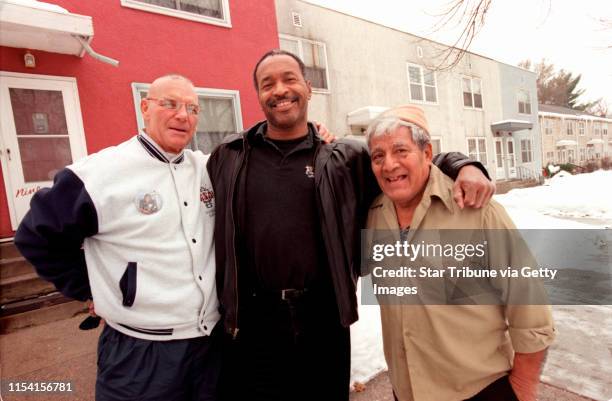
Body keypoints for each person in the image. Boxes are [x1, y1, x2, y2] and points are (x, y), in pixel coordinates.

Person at [206, 49, 495, 401]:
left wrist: (464, 165)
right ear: (258, 95)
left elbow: (410, 166)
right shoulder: (229, 156)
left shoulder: (343, 158)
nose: (280, 90)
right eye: (268, 84)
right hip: (253, 320)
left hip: (323, 318)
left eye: (289, 79)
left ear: (308, 88)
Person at [15, 74, 221, 401]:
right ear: (145, 108)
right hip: (139, 356)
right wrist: (89, 288)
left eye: (192, 108)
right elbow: (35, 236)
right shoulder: (101, 173)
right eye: (169, 103)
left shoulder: (208, 169)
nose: (183, 115)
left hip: (209, 348)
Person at [364, 105, 556, 401]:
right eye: (378, 156)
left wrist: (524, 386)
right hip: (407, 391)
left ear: (427, 154)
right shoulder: (373, 216)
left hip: (480, 390)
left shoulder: (475, 209)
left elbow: (529, 303)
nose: (389, 165)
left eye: (401, 151)